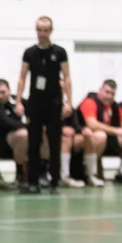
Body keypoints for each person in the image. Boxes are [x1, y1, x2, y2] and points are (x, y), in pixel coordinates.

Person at [16, 16, 73, 194]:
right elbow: (22, 77)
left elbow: (67, 77)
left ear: (51, 31)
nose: (42, 33)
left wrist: (69, 102)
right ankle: (33, 181)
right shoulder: (30, 53)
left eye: (46, 30)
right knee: (34, 142)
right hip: (35, 102)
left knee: (55, 142)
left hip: (54, 102)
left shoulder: (60, 52)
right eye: (39, 30)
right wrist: (18, 101)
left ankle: (54, 181)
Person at [76, 80, 122, 185]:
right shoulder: (90, 101)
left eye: (112, 94)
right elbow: (92, 124)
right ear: (100, 90)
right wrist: (116, 131)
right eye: (107, 92)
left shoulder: (114, 106)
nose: (109, 96)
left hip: (107, 140)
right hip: (84, 137)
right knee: (100, 136)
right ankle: (89, 173)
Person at [0, 79, 27, 187]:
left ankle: (44, 171)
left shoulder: (18, 102)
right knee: (23, 135)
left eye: (3, 92)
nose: (0, 96)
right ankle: (20, 175)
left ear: (9, 90)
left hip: (22, 143)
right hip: (1, 146)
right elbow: (11, 124)